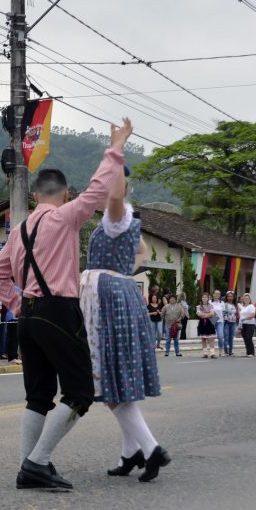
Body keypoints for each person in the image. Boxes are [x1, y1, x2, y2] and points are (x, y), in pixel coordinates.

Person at [0, 117, 133, 491]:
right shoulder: (67, 217)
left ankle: (28, 467)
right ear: (65, 195)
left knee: (38, 396)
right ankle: (37, 462)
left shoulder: (19, 231)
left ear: (35, 196)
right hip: (58, 311)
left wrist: (16, 304)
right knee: (80, 393)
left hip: (28, 316)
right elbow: (98, 188)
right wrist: (116, 147)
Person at [79, 159, 169, 482]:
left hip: (107, 298)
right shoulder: (125, 219)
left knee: (108, 379)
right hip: (120, 291)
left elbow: (116, 195)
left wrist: (115, 153)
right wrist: (123, 272)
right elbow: (142, 250)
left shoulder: (116, 215)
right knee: (116, 381)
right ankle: (130, 452)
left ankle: (151, 448)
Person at [196, 293, 216, 358]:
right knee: (203, 338)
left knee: (211, 338)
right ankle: (205, 353)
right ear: (201, 298)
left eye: (206, 297)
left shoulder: (211, 306)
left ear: (208, 298)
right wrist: (208, 314)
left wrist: (204, 314)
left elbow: (212, 314)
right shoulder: (199, 306)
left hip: (210, 323)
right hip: (202, 323)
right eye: (203, 297)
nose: (204, 298)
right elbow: (199, 314)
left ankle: (212, 353)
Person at [238, 293, 256, 357]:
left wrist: (244, 318)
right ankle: (248, 352)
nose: (246, 299)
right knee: (245, 338)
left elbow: (252, 315)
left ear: (250, 299)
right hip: (244, 324)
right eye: (245, 298)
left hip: (250, 324)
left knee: (249, 338)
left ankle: (251, 352)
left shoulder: (251, 306)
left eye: (247, 298)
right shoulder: (243, 307)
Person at [222, 291, 238, 356]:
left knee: (231, 337)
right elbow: (223, 313)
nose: (230, 298)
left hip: (233, 323)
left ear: (233, 297)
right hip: (227, 322)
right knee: (226, 337)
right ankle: (226, 351)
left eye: (231, 296)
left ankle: (230, 351)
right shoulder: (224, 304)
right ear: (226, 297)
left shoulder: (235, 305)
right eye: (229, 296)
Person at [211, 289, 225, 358]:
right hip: (212, 320)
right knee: (212, 337)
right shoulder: (210, 302)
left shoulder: (222, 303)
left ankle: (220, 351)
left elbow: (224, 312)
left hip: (220, 321)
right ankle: (212, 351)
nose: (217, 295)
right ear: (213, 294)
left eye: (218, 294)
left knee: (220, 336)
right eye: (216, 293)